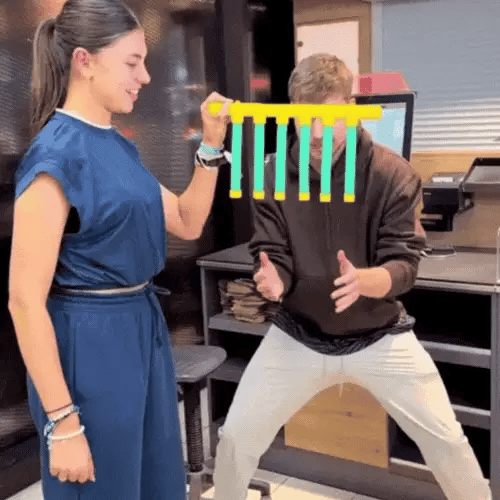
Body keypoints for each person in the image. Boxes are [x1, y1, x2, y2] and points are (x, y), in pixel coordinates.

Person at [212, 53, 491, 500]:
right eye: (306, 118)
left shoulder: (392, 173)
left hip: (379, 334)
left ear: (351, 107)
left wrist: (368, 281)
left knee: (447, 442)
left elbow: (404, 263)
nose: (316, 133)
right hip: (298, 332)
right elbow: (272, 249)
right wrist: (274, 279)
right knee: (235, 439)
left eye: (329, 118)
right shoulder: (273, 171)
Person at [8, 1, 232, 499]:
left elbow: (187, 220)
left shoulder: (117, 146)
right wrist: (63, 423)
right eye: (132, 62)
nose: (145, 77)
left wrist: (211, 145)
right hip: (90, 344)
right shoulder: (54, 156)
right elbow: (24, 301)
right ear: (84, 62)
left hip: (142, 330)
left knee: (155, 483)